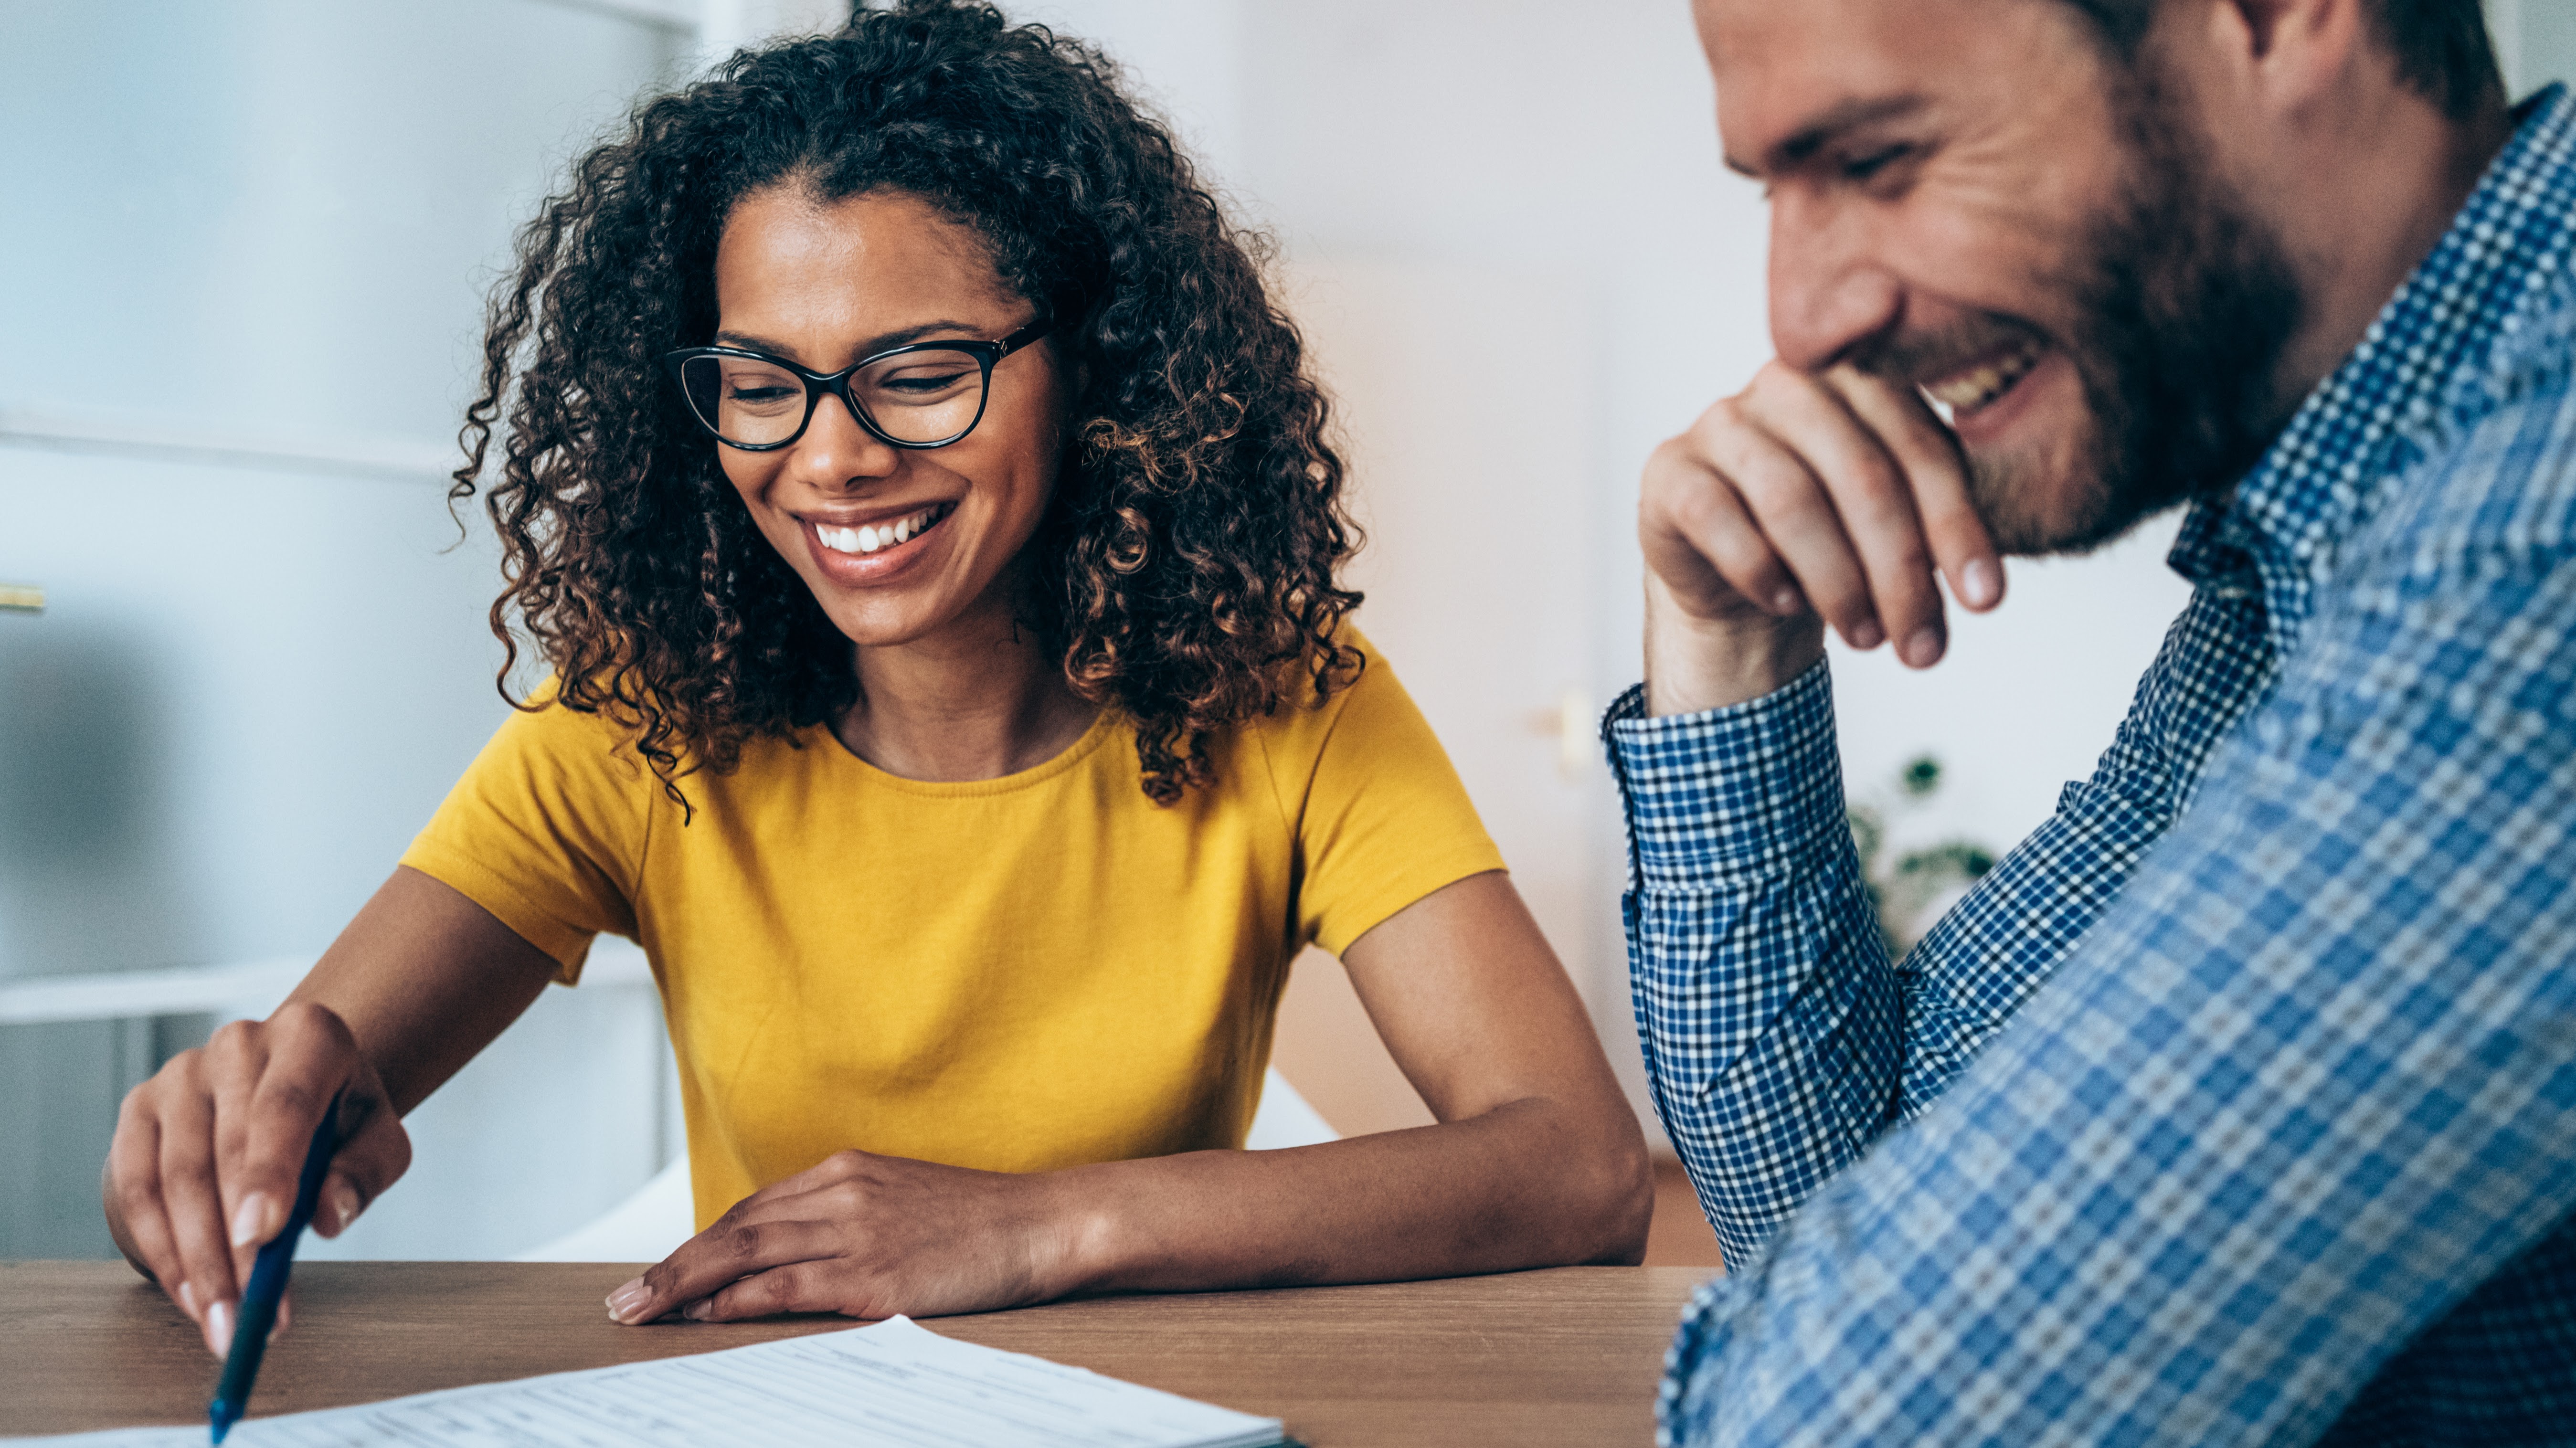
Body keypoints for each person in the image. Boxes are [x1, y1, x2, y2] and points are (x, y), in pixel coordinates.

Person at [103, 0, 1649, 1359]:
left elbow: (1574, 1165)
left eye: (920, 371)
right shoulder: (636, 717)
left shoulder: (1282, 696)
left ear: (1092, 366)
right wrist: (215, 1144)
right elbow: (312, 1084)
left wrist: (1038, 1227)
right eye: (762, 384)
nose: (831, 457)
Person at [1618, 0, 2576, 1441]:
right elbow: (1837, 1196)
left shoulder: (2534, 531)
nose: (1800, 323)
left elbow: (1851, 1419)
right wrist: (1726, 636)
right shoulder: (2307, 551)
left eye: (1879, 158)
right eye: (1773, 190)